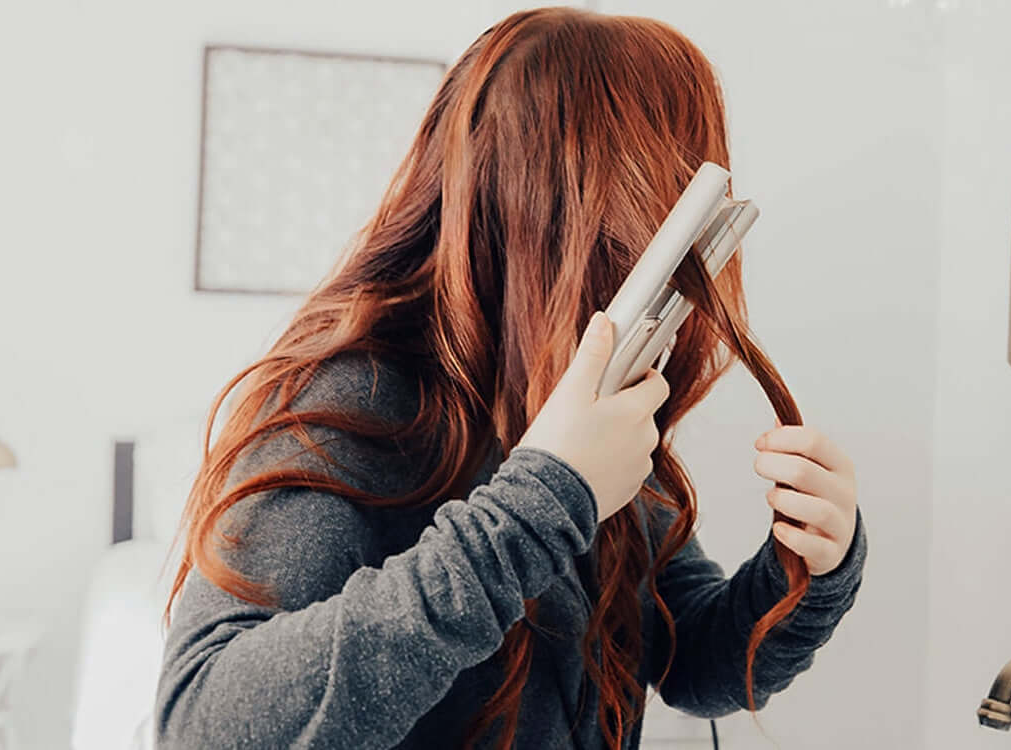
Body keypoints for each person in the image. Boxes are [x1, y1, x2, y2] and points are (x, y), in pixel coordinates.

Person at [155, 7, 865, 748]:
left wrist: (810, 565)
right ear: (584, 199)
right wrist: (543, 499)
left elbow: (695, 665)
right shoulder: (346, 403)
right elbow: (204, 727)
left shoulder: (576, 399)